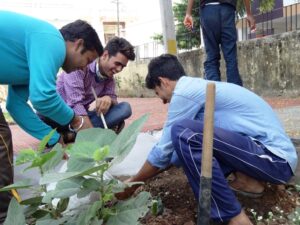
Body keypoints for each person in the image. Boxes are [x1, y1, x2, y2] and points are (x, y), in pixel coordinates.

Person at [116, 54, 297, 224]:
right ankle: (249, 182)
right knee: (184, 142)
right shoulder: (199, 88)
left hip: (274, 159)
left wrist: (133, 183)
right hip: (264, 157)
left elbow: (163, 149)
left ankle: (234, 217)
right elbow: (173, 155)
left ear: (163, 82)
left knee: (181, 130)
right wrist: (147, 175)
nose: (163, 102)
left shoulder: (185, 92)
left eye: (157, 93)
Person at [0, 10, 103, 224]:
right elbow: (43, 97)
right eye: (87, 59)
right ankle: (4, 217)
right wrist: (77, 121)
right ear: (77, 43)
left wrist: (55, 140)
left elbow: (16, 106)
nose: (84, 67)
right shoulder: (52, 40)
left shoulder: (33, 56)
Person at [38, 37, 135, 140]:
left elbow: (113, 99)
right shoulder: (79, 65)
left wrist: (109, 99)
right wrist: (90, 137)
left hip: (81, 116)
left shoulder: (109, 77)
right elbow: (75, 104)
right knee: (46, 119)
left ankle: (70, 135)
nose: (119, 69)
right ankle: (74, 134)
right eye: (117, 64)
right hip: (57, 115)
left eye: (123, 66)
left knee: (124, 108)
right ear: (105, 55)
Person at [183, 0, 256, 86]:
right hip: (227, 9)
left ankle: (214, 96)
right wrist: (248, 13)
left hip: (208, 9)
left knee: (212, 58)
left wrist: (188, 13)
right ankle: (235, 95)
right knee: (231, 58)